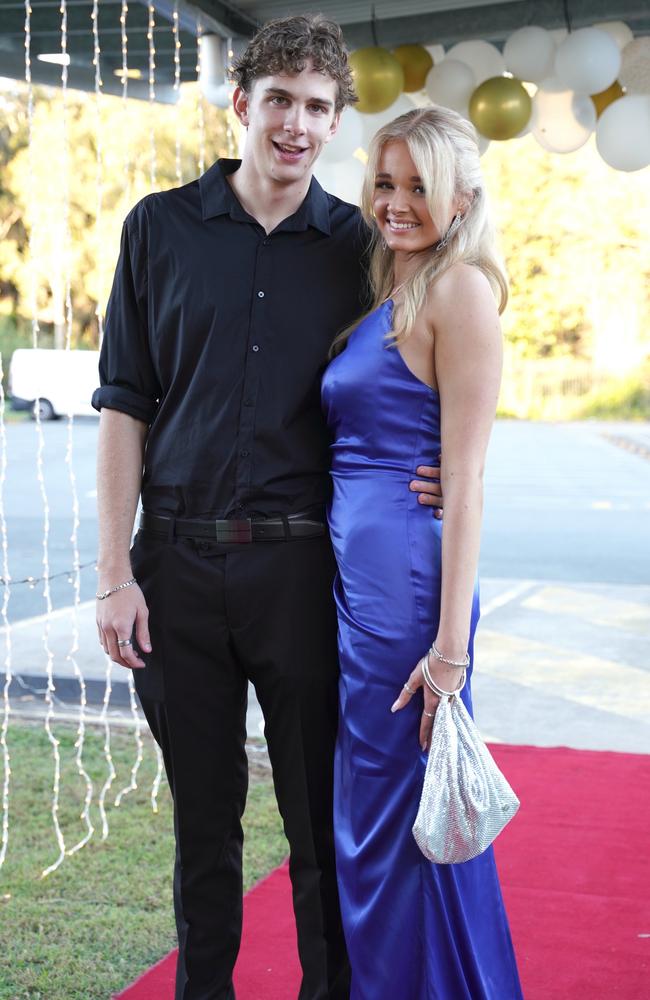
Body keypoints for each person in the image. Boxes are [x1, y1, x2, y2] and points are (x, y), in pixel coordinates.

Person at [92, 15, 440, 1000]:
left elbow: (427, 360)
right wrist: (114, 573)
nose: (295, 123)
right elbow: (124, 404)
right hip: (174, 574)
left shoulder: (362, 249)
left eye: (316, 108)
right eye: (278, 99)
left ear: (334, 124)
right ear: (240, 102)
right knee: (203, 826)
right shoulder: (157, 228)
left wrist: (453, 461)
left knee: (316, 824)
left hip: (303, 577)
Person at [321, 106, 523, 999]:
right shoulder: (393, 283)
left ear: (462, 196)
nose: (396, 203)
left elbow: (467, 482)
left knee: (415, 810)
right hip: (363, 592)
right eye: (386, 182)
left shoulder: (460, 291)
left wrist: (449, 655)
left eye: (418, 186)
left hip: (411, 600)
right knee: (375, 808)